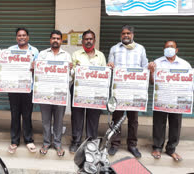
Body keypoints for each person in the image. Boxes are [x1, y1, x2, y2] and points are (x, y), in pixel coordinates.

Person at [107, 25, 148, 158]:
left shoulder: (140, 49)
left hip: (134, 91)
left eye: (128, 33)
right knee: (116, 118)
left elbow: (145, 68)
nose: (126, 35)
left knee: (133, 119)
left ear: (132, 35)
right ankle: (115, 144)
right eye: (124, 33)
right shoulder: (114, 49)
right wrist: (110, 66)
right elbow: (109, 68)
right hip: (119, 90)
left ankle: (132, 145)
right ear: (121, 35)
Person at [148, 40, 190, 162]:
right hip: (162, 99)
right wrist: (151, 72)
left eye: (172, 47)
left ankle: (171, 149)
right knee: (158, 124)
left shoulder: (184, 64)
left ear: (176, 50)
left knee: (175, 124)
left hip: (177, 101)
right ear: (163, 50)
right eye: (167, 47)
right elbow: (152, 82)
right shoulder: (157, 63)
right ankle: (157, 147)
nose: (169, 49)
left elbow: (188, 83)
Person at [69, 29, 107, 153]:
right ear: (82, 41)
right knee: (77, 117)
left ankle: (91, 142)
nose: (88, 41)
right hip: (79, 89)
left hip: (96, 91)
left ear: (94, 41)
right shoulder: (76, 54)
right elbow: (72, 73)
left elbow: (104, 73)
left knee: (93, 117)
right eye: (86, 39)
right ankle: (76, 141)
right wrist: (75, 70)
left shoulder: (100, 55)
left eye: (91, 39)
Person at [37, 30, 72, 157]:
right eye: (53, 38)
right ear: (50, 40)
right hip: (45, 93)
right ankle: (46, 142)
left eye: (58, 38)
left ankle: (57, 143)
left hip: (59, 94)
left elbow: (71, 77)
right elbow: (38, 73)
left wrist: (71, 70)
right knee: (45, 120)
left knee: (58, 120)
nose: (55, 40)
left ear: (61, 41)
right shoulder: (42, 54)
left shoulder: (67, 56)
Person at [7, 28, 39, 154]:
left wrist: (35, 68)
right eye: (19, 35)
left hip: (28, 88)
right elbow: (5, 67)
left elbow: (40, 69)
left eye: (24, 35)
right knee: (15, 115)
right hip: (13, 88)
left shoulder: (34, 51)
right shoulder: (10, 50)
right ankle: (14, 141)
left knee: (27, 115)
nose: (21, 37)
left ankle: (28, 140)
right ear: (16, 38)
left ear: (28, 37)